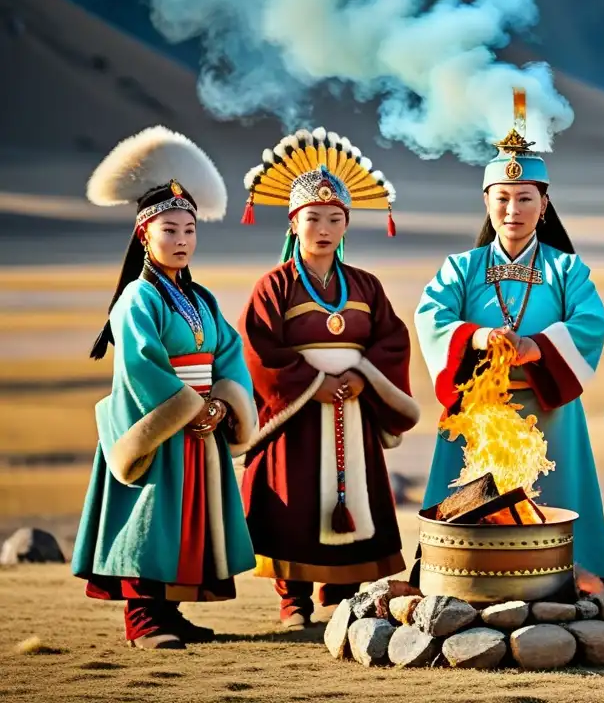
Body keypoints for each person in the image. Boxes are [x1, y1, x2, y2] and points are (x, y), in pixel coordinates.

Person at [414, 89, 604, 587]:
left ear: (544, 204)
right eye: (502, 199)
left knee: (552, 501)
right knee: (472, 502)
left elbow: (590, 323)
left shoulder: (566, 269)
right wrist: (479, 337)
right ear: (486, 201)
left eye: (525, 198)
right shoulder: (461, 268)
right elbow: (431, 316)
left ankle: (566, 581)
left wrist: (537, 347)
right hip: (480, 412)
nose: (513, 209)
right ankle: (460, 579)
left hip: (549, 412)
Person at [71, 126, 258, 649]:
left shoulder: (202, 299)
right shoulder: (137, 299)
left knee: (187, 520)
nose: (181, 240)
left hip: (201, 422)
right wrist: (188, 407)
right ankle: (143, 619)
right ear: (143, 235)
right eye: (170, 230)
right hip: (160, 426)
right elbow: (140, 365)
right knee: (149, 518)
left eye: (189, 231)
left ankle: (171, 612)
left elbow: (228, 350)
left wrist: (223, 402)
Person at [238, 127, 419, 627]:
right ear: (293, 223)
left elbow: (391, 340)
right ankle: (292, 600)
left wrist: (365, 377)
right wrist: (309, 384)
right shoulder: (272, 286)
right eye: (313, 217)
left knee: (354, 495)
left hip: (354, 405)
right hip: (296, 413)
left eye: (334, 218)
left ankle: (342, 593)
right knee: (293, 500)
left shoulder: (365, 284)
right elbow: (257, 350)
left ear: (346, 225)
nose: (323, 227)